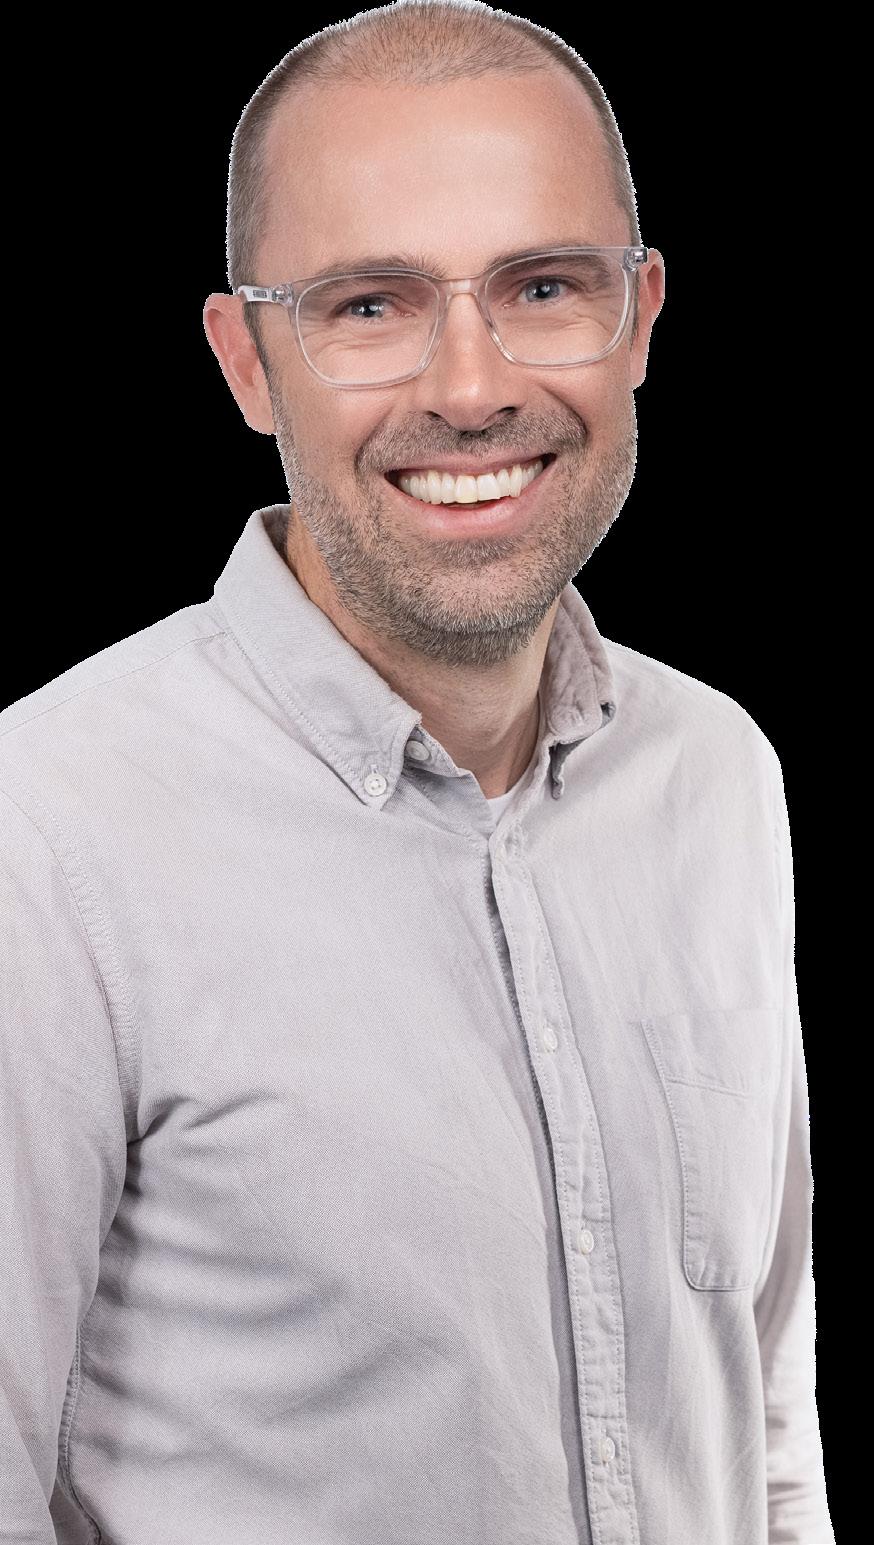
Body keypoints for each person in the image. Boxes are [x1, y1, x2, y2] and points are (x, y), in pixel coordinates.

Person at [0, 3, 834, 1542]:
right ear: (248, 361)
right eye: (370, 304)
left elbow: (763, 1398)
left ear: (639, 318)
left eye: (541, 287)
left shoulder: (716, 777)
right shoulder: (48, 831)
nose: (469, 386)